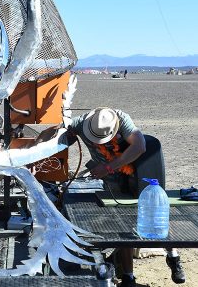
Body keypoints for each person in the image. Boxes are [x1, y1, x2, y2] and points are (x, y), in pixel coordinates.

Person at [67, 107, 185, 286]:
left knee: (157, 213)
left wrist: (108, 167)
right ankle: (128, 276)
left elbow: (140, 145)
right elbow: (58, 131)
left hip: (140, 175)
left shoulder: (122, 119)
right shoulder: (80, 123)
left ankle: (173, 257)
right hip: (112, 183)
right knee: (122, 225)